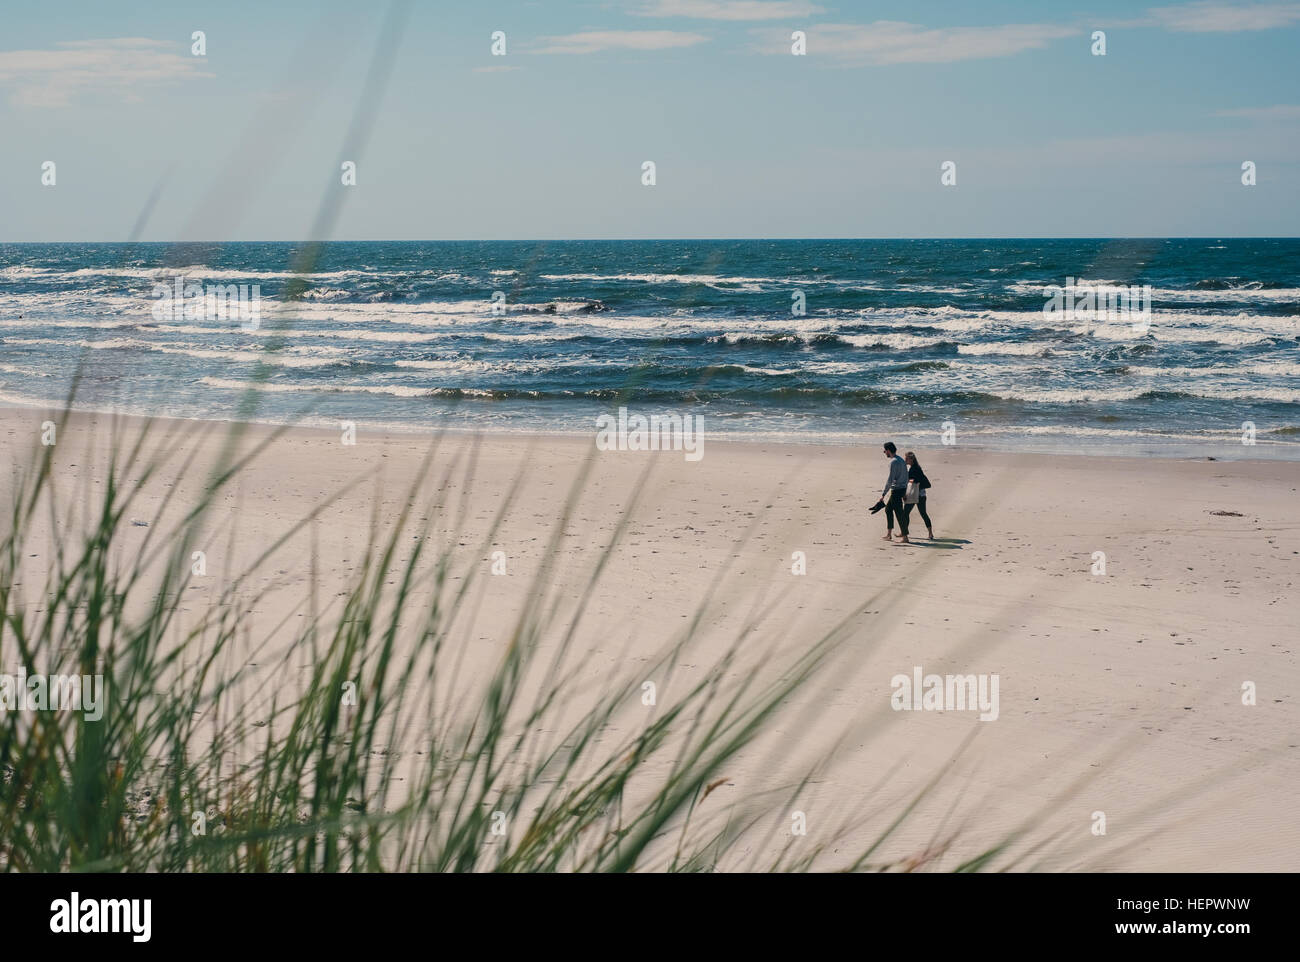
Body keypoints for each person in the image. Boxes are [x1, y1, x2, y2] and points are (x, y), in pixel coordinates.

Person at [880, 442, 909, 543]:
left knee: (899, 513)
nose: (884, 452)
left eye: (885, 450)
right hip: (901, 489)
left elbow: (890, 479)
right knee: (888, 509)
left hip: (896, 491)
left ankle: (905, 537)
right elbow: (906, 476)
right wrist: (904, 491)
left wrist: (883, 494)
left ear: (888, 450)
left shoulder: (893, 462)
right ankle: (889, 535)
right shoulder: (901, 460)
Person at [903, 451, 934, 540]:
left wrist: (909, 480)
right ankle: (930, 534)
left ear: (911, 459)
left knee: (906, 513)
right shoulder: (915, 467)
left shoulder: (914, 468)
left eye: (906, 458)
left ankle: (904, 533)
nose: (905, 460)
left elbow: (916, 480)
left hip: (916, 494)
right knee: (923, 513)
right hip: (921, 494)